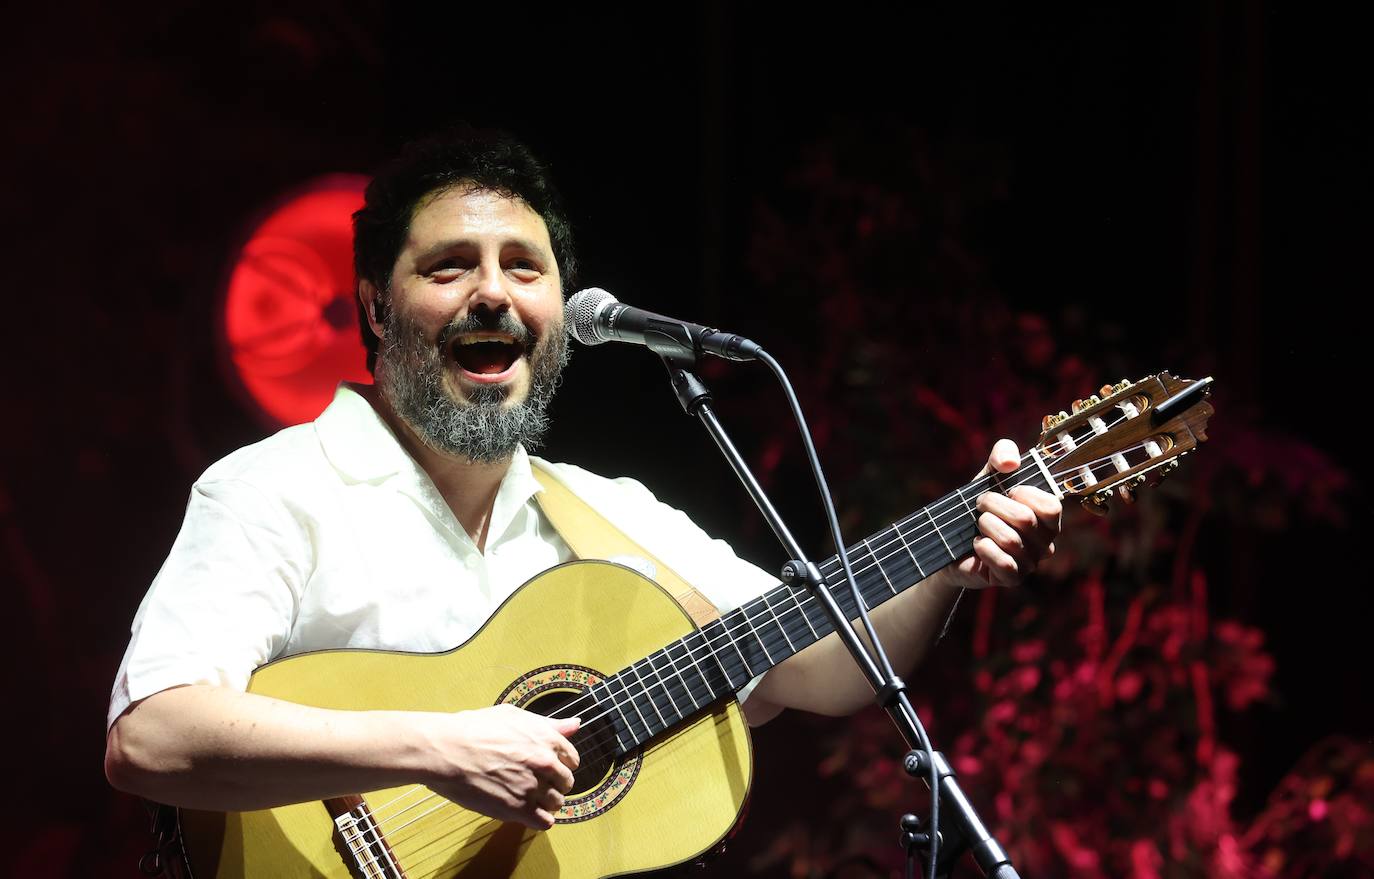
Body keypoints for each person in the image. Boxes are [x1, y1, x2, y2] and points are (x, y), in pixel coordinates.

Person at [104, 128, 1061, 834]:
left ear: (561, 311)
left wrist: (951, 560)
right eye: (449, 267)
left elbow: (827, 664)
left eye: (525, 266)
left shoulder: (610, 512)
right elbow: (151, 736)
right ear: (374, 307)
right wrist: (440, 747)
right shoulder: (277, 488)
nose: (494, 292)